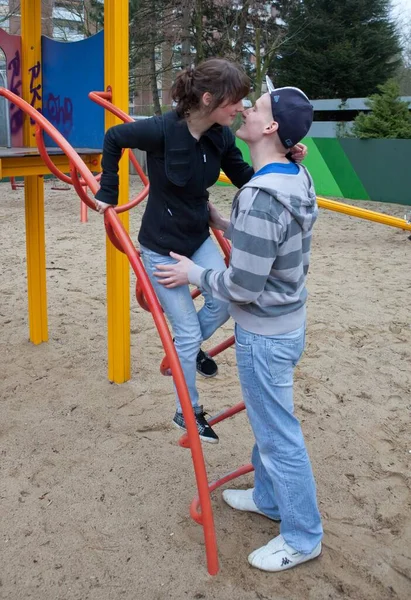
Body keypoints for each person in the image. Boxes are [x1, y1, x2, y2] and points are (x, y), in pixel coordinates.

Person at [153, 84, 323, 571]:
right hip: (286, 322)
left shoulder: (261, 193)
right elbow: (272, 238)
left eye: (258, 108)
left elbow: (243, 285)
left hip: (265, 333)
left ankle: (303, 535)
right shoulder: (295, 174)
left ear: (270, 128)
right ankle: (270, 498)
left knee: (278, 436)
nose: (245, 110)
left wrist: (193, 275)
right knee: (269, 423)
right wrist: (227, 225)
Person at [94, 58, 306, 445]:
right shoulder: (160, 130)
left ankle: (186, 351)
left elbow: (245, 176)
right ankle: (186, 410)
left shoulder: (221, 136)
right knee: (188, 331)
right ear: (208, 99)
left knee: (224, 303)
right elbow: (113, 139)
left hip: (197, 237)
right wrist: (108, 192)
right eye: (235, 102)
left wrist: (283, 158)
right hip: (160, 247)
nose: (241, 109)